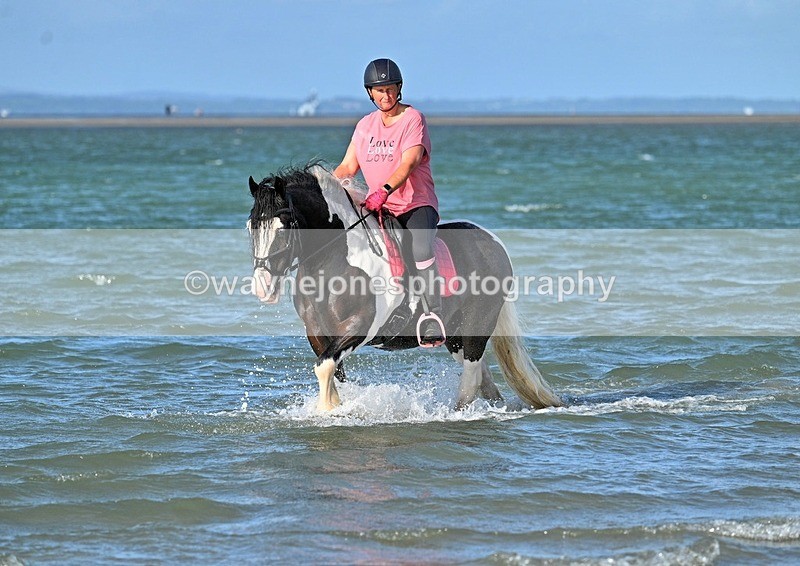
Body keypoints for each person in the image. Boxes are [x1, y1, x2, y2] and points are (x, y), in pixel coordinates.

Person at [333, 58, 445, 347]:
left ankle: (433, 314)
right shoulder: (365, 126)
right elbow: (347, 167)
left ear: (399, 89)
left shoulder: (413, 119)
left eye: (390, 89)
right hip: (379, 208)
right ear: (370, 93)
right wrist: (325, 187)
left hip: (415, 205)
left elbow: (410, 162)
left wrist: (383, 189)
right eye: (379, 90)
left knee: (419, 247)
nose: (385, 96)